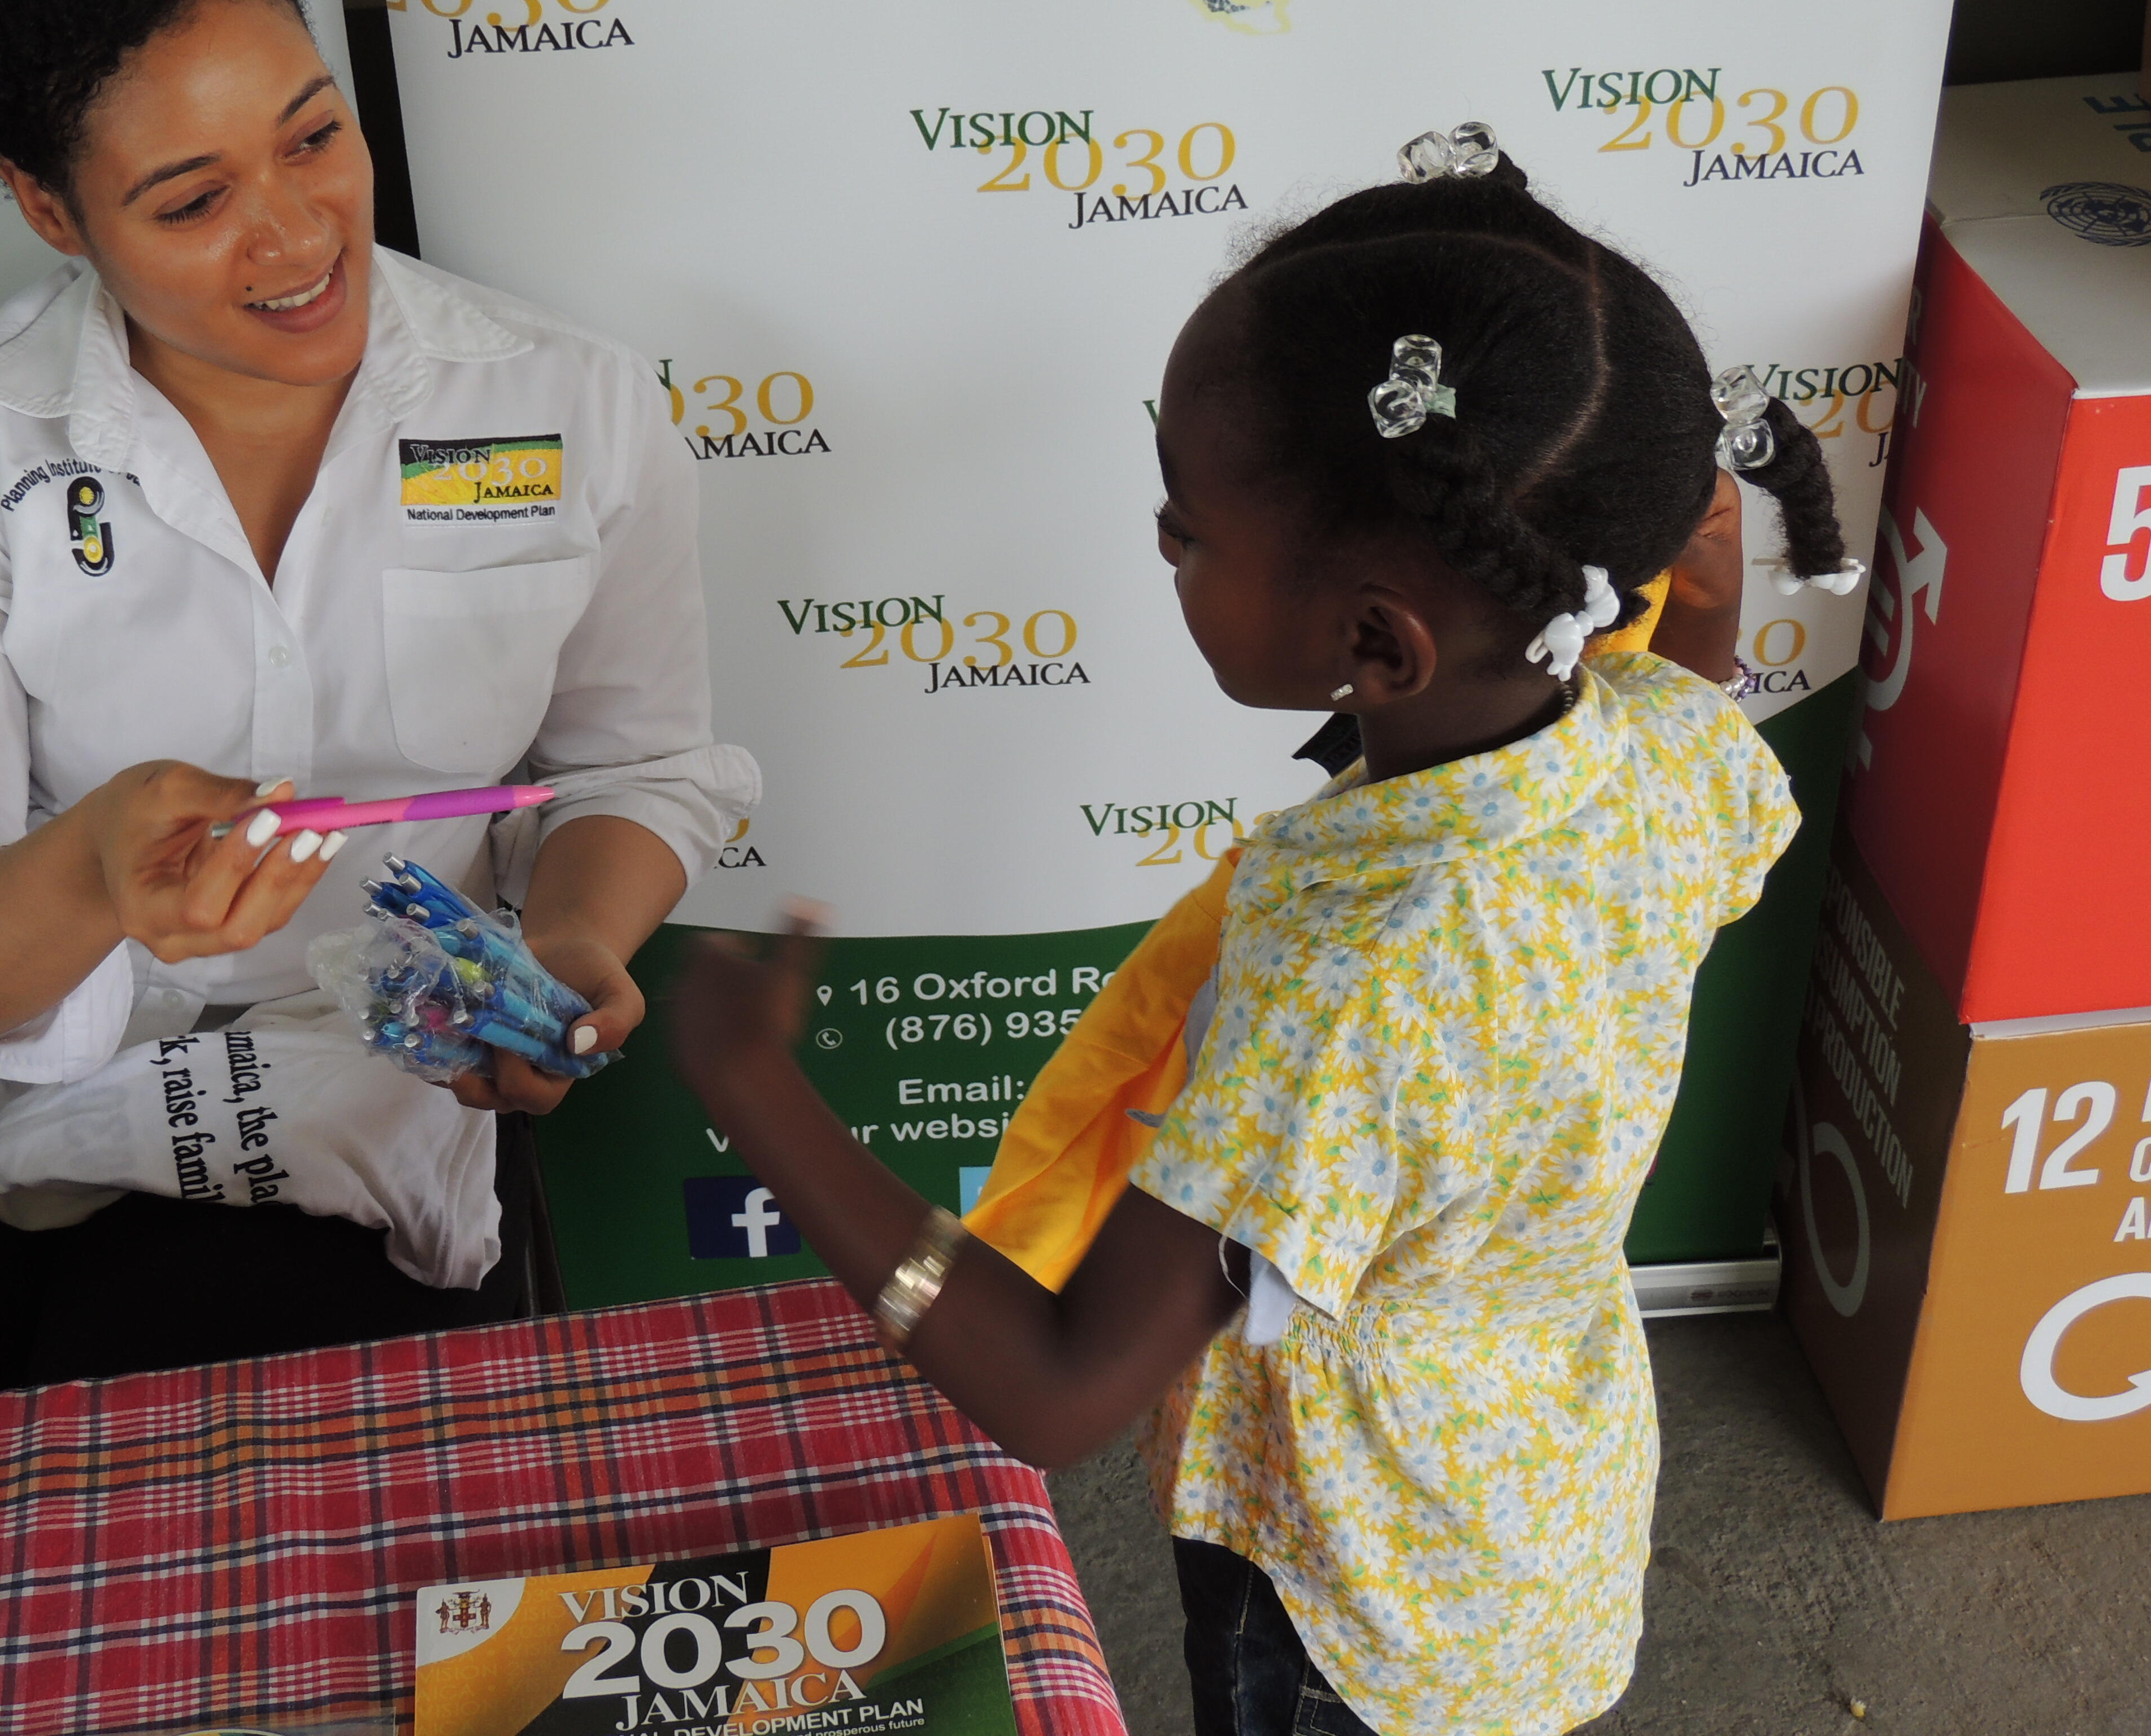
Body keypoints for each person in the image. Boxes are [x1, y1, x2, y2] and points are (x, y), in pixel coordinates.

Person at [668, 133, 1855, 1734]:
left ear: (1377, 636)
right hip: (1535, 1513)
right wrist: (1704, 583)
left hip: (1346, 1601)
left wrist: (756, 1092)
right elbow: (1698, 676)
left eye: (1186, 534)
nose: (1168, 551)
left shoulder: (1350, 981)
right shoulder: (1648, 754)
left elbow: (1060, 1385)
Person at [0, 0, 758, 1432]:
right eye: (192, 201)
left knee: (193, 1562)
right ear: (50, 209)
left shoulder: (573, 408)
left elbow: (637, 767)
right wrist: (101, 874)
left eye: (314, 135)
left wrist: (570, 951)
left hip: (354, 1066)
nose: (299, 233)